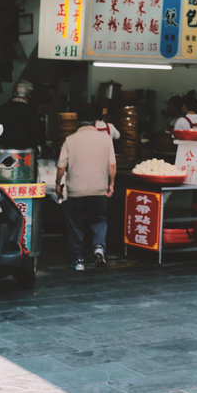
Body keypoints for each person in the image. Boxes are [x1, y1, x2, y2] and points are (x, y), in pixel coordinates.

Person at [56, 104, 116, 271]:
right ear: (97, 121)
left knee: (75, 223)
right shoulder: (106, 139)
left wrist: (57, 184)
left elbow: (61, 167)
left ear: (77, 121)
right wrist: (111, 184)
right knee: (100, 219)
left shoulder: (70, 140)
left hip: (76, 190)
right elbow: (112, 165)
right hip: (98, 189)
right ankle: (98, 246)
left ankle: (79, 261)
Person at [0, 80, 46, 151]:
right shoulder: (32, 112)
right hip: (26, 153)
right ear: (29, 94)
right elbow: (37, 136)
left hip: (5, 152)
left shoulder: (3, 109)